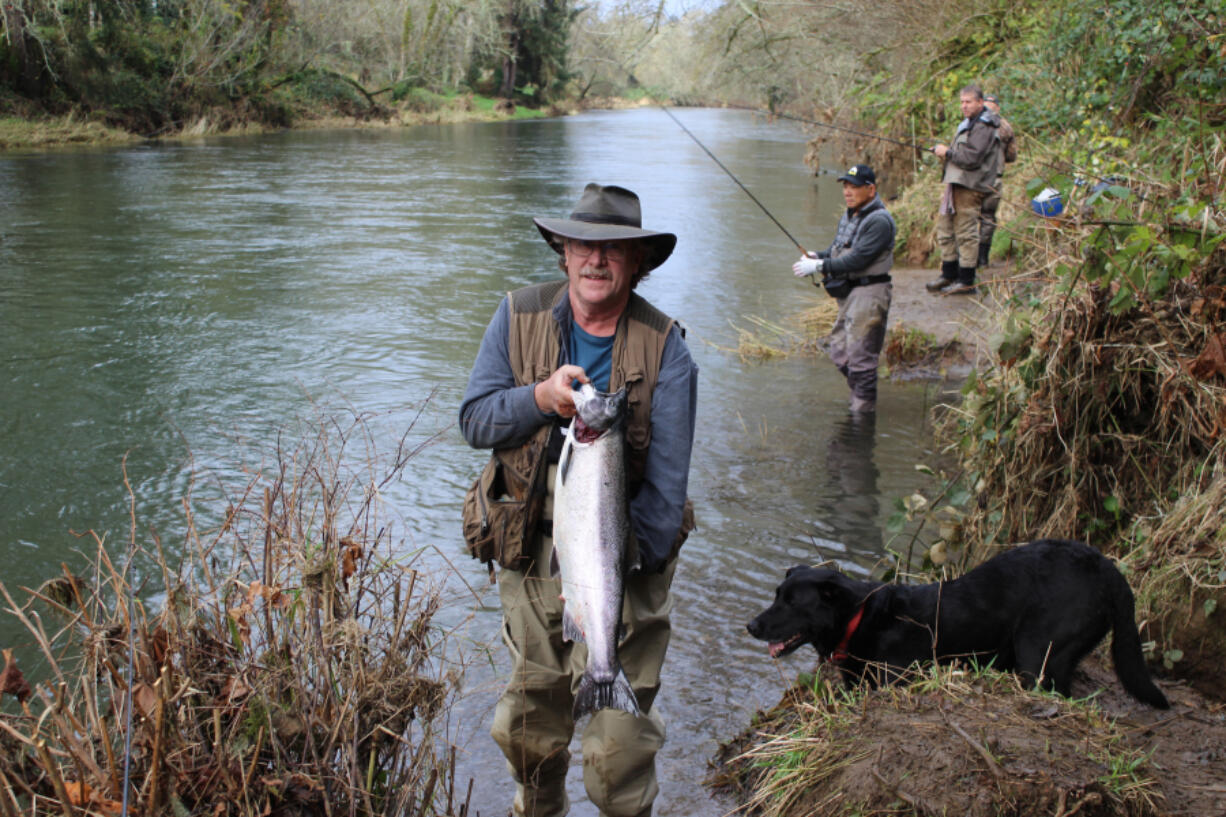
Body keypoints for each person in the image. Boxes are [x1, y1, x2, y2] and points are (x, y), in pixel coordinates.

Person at [459, 182, 698, 817]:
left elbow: (666, 495)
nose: (596, 260)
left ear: (638, 263)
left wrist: (599, 578)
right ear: (563, 252)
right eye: (583, 245)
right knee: (526, 736)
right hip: (528, 556)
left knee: (615, 759)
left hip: (626, 563)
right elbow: (475, 421)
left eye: (614, 251)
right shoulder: (516, 315)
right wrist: (539, 398)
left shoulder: (668, 349)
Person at [792, 164, 895, 413]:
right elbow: (839, 249)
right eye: (846, 186)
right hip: (850, 294)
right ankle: (860, 398)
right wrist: (820, 255)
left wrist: (818, 265)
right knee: (839, 350)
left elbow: (858, 259)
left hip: (870, 294)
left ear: (870, 190)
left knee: (861, 358)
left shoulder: (879, 221)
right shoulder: (851, 214)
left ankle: (862, 413)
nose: (848, 192)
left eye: (854, 187)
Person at [927, 83, 1001, 295]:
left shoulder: (984, 126)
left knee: (966, 232)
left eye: (968, 102)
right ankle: (949, 274)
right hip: (957, 184)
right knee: (945, 228)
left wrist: (947, 153)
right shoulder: (970, 123)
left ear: (980, 102)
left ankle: (967, 280)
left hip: (970, 186)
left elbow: (972, 158)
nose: (964, 106)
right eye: (962, 102)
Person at [977, 93, 1018, 268]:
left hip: (973, 179)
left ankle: (968, 261)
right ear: (998, 108)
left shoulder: (974, 124)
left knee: (970, 218)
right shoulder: (1005, 127)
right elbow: (1012, 156)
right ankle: (983, 258)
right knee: (987, 219)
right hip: (994, 179)